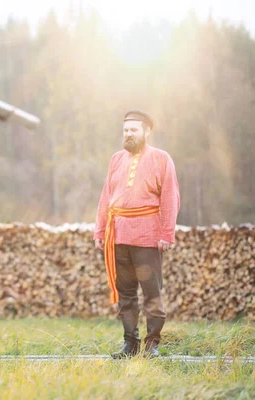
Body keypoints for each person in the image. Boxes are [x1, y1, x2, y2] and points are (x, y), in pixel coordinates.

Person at [94, 110, 180, 358]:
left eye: (133, 130)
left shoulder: (161, 158)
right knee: (126, 295)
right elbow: (106, 197)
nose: (128, 134)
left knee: (151, 293)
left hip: (148, 237)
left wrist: (167, 233)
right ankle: (130, 344)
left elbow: (170, 197)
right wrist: (100, 229)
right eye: (125, 130)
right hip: (118, 236)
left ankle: (152, 344)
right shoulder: (116, 159)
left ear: (146, 131)